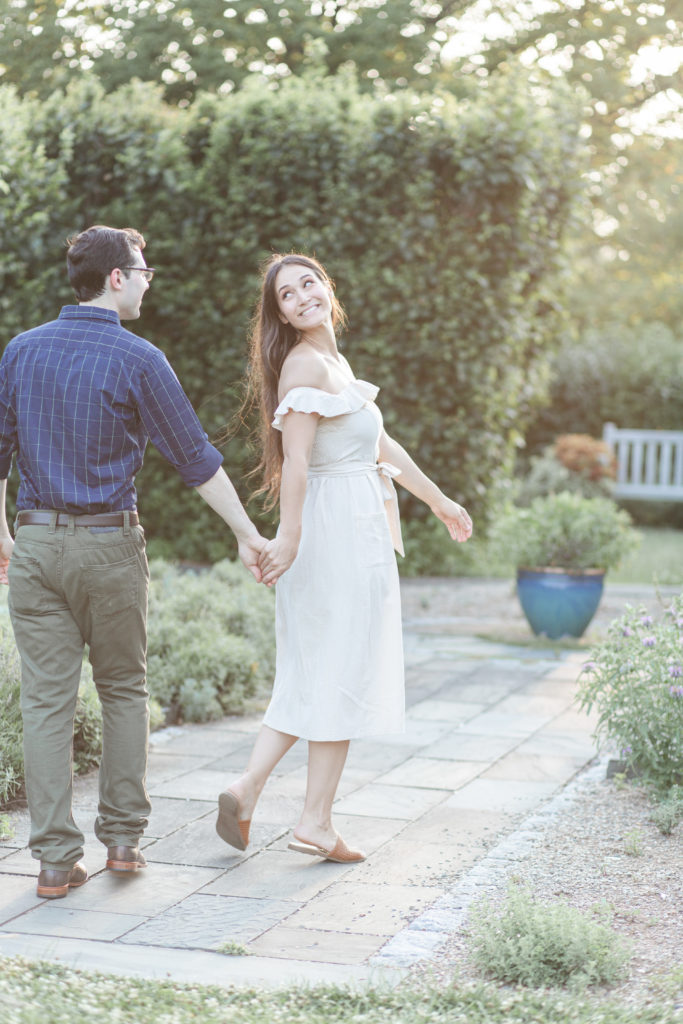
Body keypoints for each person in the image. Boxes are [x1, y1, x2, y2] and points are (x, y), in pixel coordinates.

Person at [0, 225, 265, 899]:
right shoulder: (140, 358)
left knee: (46, 701)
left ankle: (55, 861)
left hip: (34, 545)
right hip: (110, 547)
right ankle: (121, 841)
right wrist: (245, 532)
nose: (149, 280)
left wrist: (3, 537)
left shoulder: (21, 352)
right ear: (116, 278)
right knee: (122, 688)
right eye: (143, 271)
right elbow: (195, 458)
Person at [215, 253, 472, 863]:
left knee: (318, 667)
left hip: (352, 522)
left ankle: (250, 788)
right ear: (278, 314)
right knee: (342, 669)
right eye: (287, 294)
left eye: (309, 283)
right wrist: (292, 537)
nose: (302, 296)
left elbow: (380, 443)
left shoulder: (334, 363)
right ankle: (314, 821)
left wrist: (438, 501)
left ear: (327, 287)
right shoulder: (303, 366)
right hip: (334, 533)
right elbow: (297, 460)